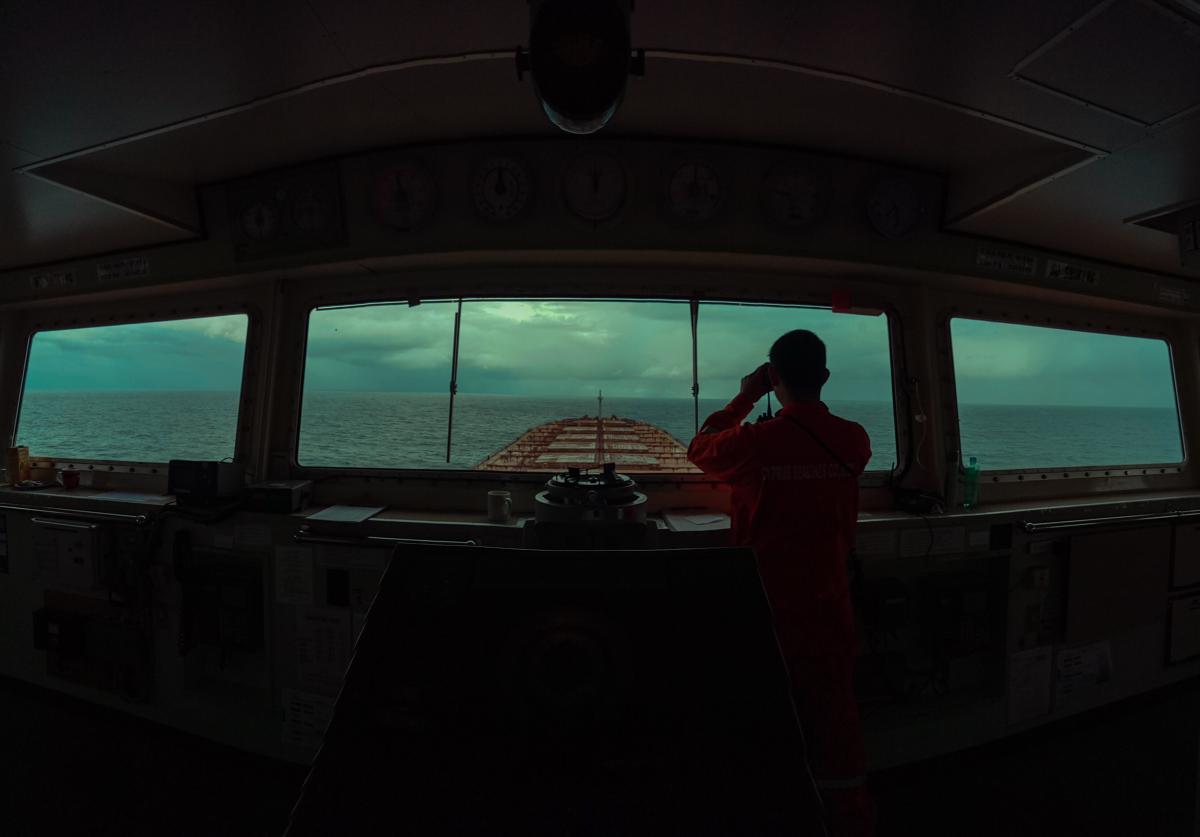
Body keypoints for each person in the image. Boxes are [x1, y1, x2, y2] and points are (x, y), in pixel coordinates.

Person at [687, 329, 875, 837]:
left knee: (763, 718)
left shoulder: (755, 442)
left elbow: (699, 449)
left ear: (774, 378)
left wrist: (746, 397)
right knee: (836, 727)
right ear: (826, 377)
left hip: (765, 612)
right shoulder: (855, 440)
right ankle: (847, 820)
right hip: (830, 606)